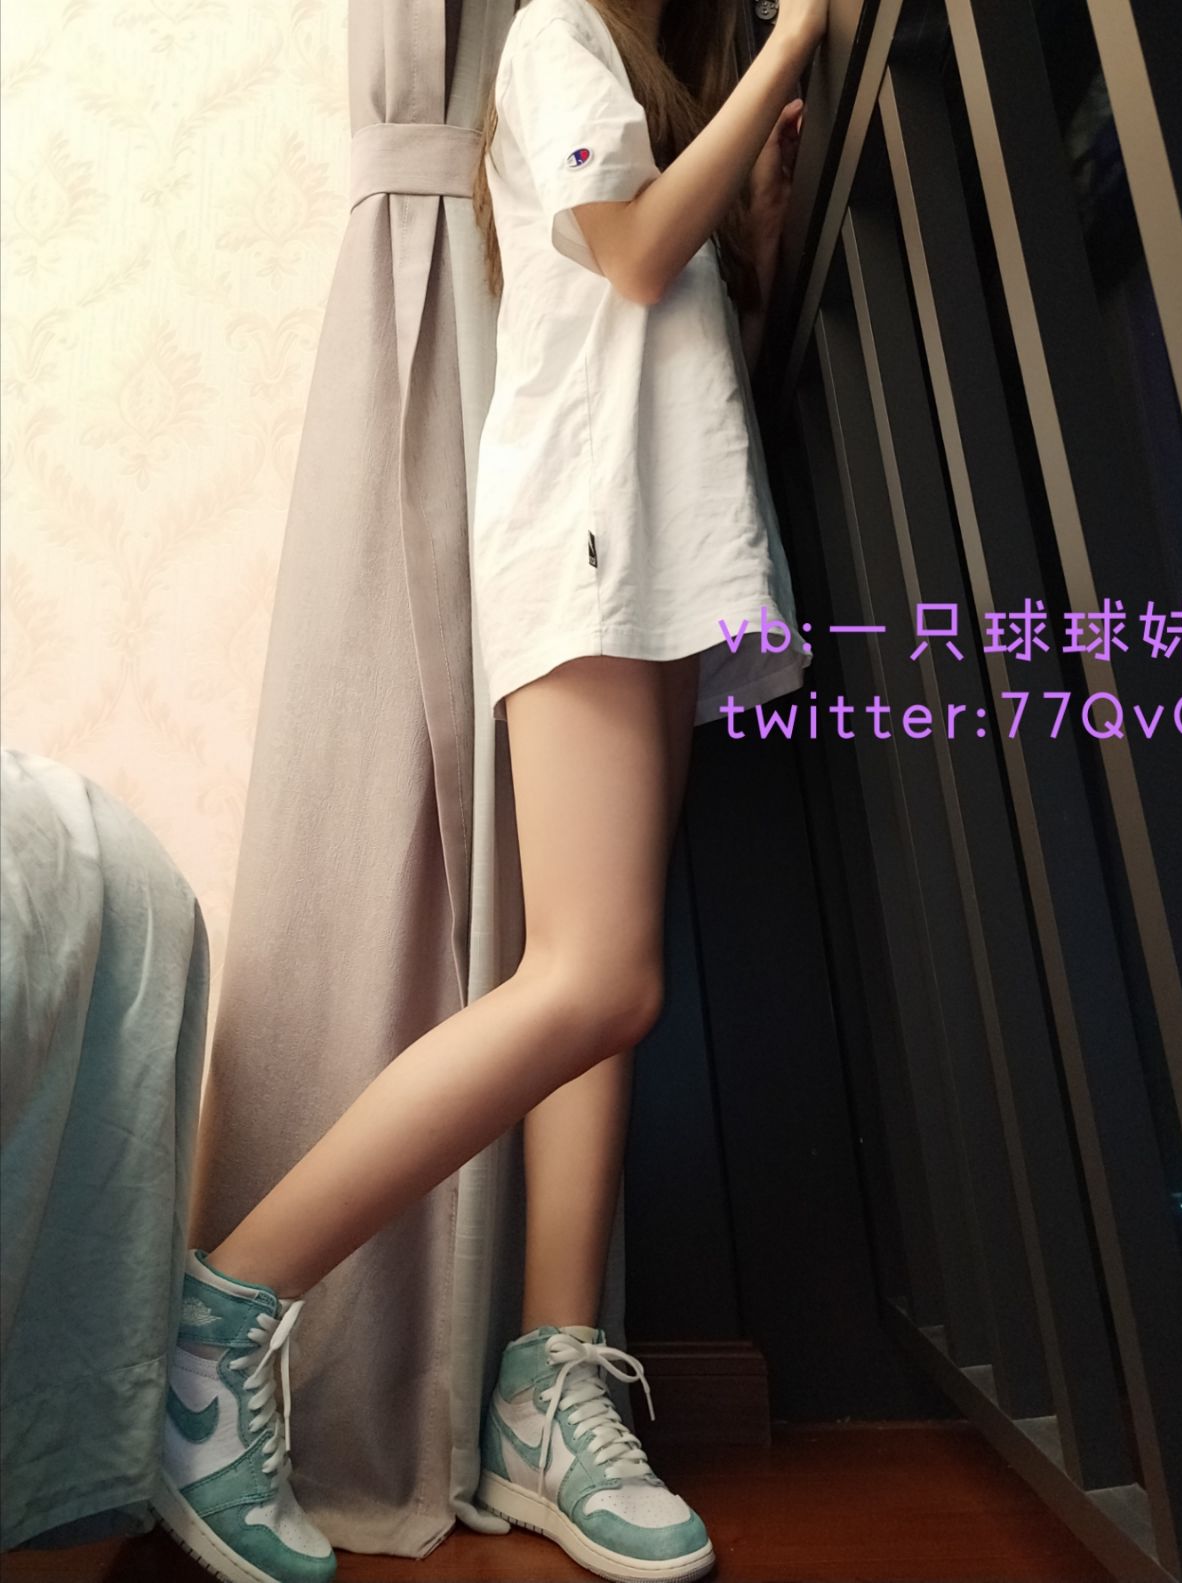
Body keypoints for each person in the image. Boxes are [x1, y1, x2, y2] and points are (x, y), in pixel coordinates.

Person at [152, 1, 829, 1580]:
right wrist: (797, 41)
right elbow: (634, 255)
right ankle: (217, 1322)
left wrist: (763, 197)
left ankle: (546, 1388)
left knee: (602, 1000)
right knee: (594, 977)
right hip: (591, 545)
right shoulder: (550, 37)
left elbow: (681, 326)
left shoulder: (633, 81)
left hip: (656, 553)